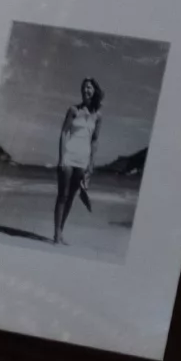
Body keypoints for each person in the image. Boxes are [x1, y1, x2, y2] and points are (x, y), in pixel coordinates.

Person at [54, 78, 103, 244]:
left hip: (83, 160)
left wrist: (92, 164)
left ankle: (61, 231)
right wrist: (61, 158)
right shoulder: (73, 110)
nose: (85, 90)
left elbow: (95, 141)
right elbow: (63, 133)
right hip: (69, 155)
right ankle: (56, 235)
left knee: (71, 198)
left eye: (89, 87)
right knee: (62, 195)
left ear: (95, 90)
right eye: (83, 87)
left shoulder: (98, 115)